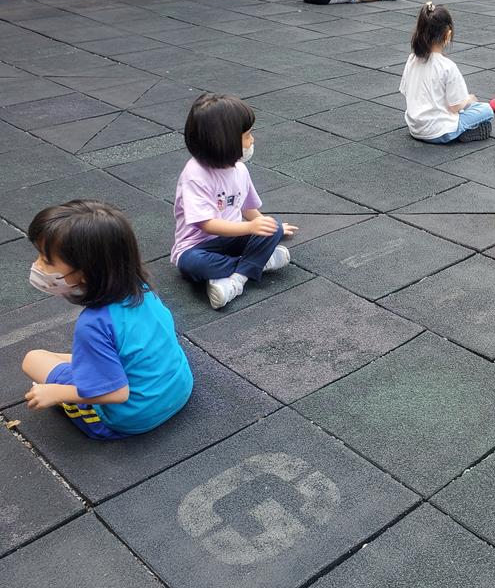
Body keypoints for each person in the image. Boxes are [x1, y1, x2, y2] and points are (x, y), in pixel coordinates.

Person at [21, 201, 193, 440]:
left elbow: (117, 394)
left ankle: (89, 381)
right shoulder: (141, 289)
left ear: (86, 270)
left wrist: (56, 393)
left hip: (131, 416)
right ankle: (96, 367)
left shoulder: (93, 324)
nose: (38, 265)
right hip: (178, 387)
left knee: (33, 359)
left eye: (47, 260)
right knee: (68, 358)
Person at [172, 93, 298, 310]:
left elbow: (248, 208)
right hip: (199, 245)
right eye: (247, 136)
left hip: (233, 238)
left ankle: (234, 278)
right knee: (192, 264)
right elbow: (206, 224)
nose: (252, 140)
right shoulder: (195, 175)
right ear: (225, 141)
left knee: (273, 225)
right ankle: (256, 264)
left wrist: (269, 227)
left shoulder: (239, 169)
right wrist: (250, 227)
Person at [399, 2, 494, 144]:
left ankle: (460, 128)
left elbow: (405, 91)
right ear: (448, 35)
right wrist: (468, 99)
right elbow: (455, 106)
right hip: (440, 132)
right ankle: (461, 131)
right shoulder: (447, 67)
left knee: (459, 107)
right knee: (486, 110)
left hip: (415, 129)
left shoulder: (412, 59)